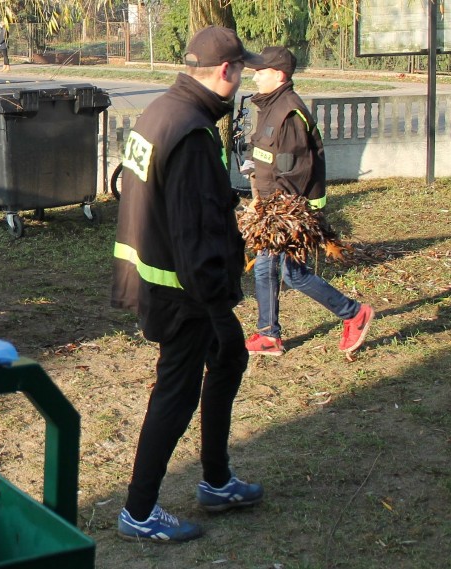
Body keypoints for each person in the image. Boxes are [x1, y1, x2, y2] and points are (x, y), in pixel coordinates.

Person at [111, 26, 264, 543]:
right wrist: (218, 304)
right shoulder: (193, 133)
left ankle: (217, 480)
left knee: (229, 359)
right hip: (184, 293)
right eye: (242, 70)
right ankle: (139, 511)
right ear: (227, 72)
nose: (242, 79)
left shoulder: (160, 113)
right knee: (176, 394)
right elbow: (196, 233)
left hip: (156, 280)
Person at [243, 46, 374, 356]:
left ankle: (354, 314)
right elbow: (264, 152)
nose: (254, 76)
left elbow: (292, 173)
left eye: (260, 71)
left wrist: (272, 214)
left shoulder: (288, 112)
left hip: (288, 212)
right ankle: (268, 335)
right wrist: (250, 165)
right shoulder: (271, 106)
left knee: (292, 273)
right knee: (267, 269)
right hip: (272, 209)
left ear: (279, 75)